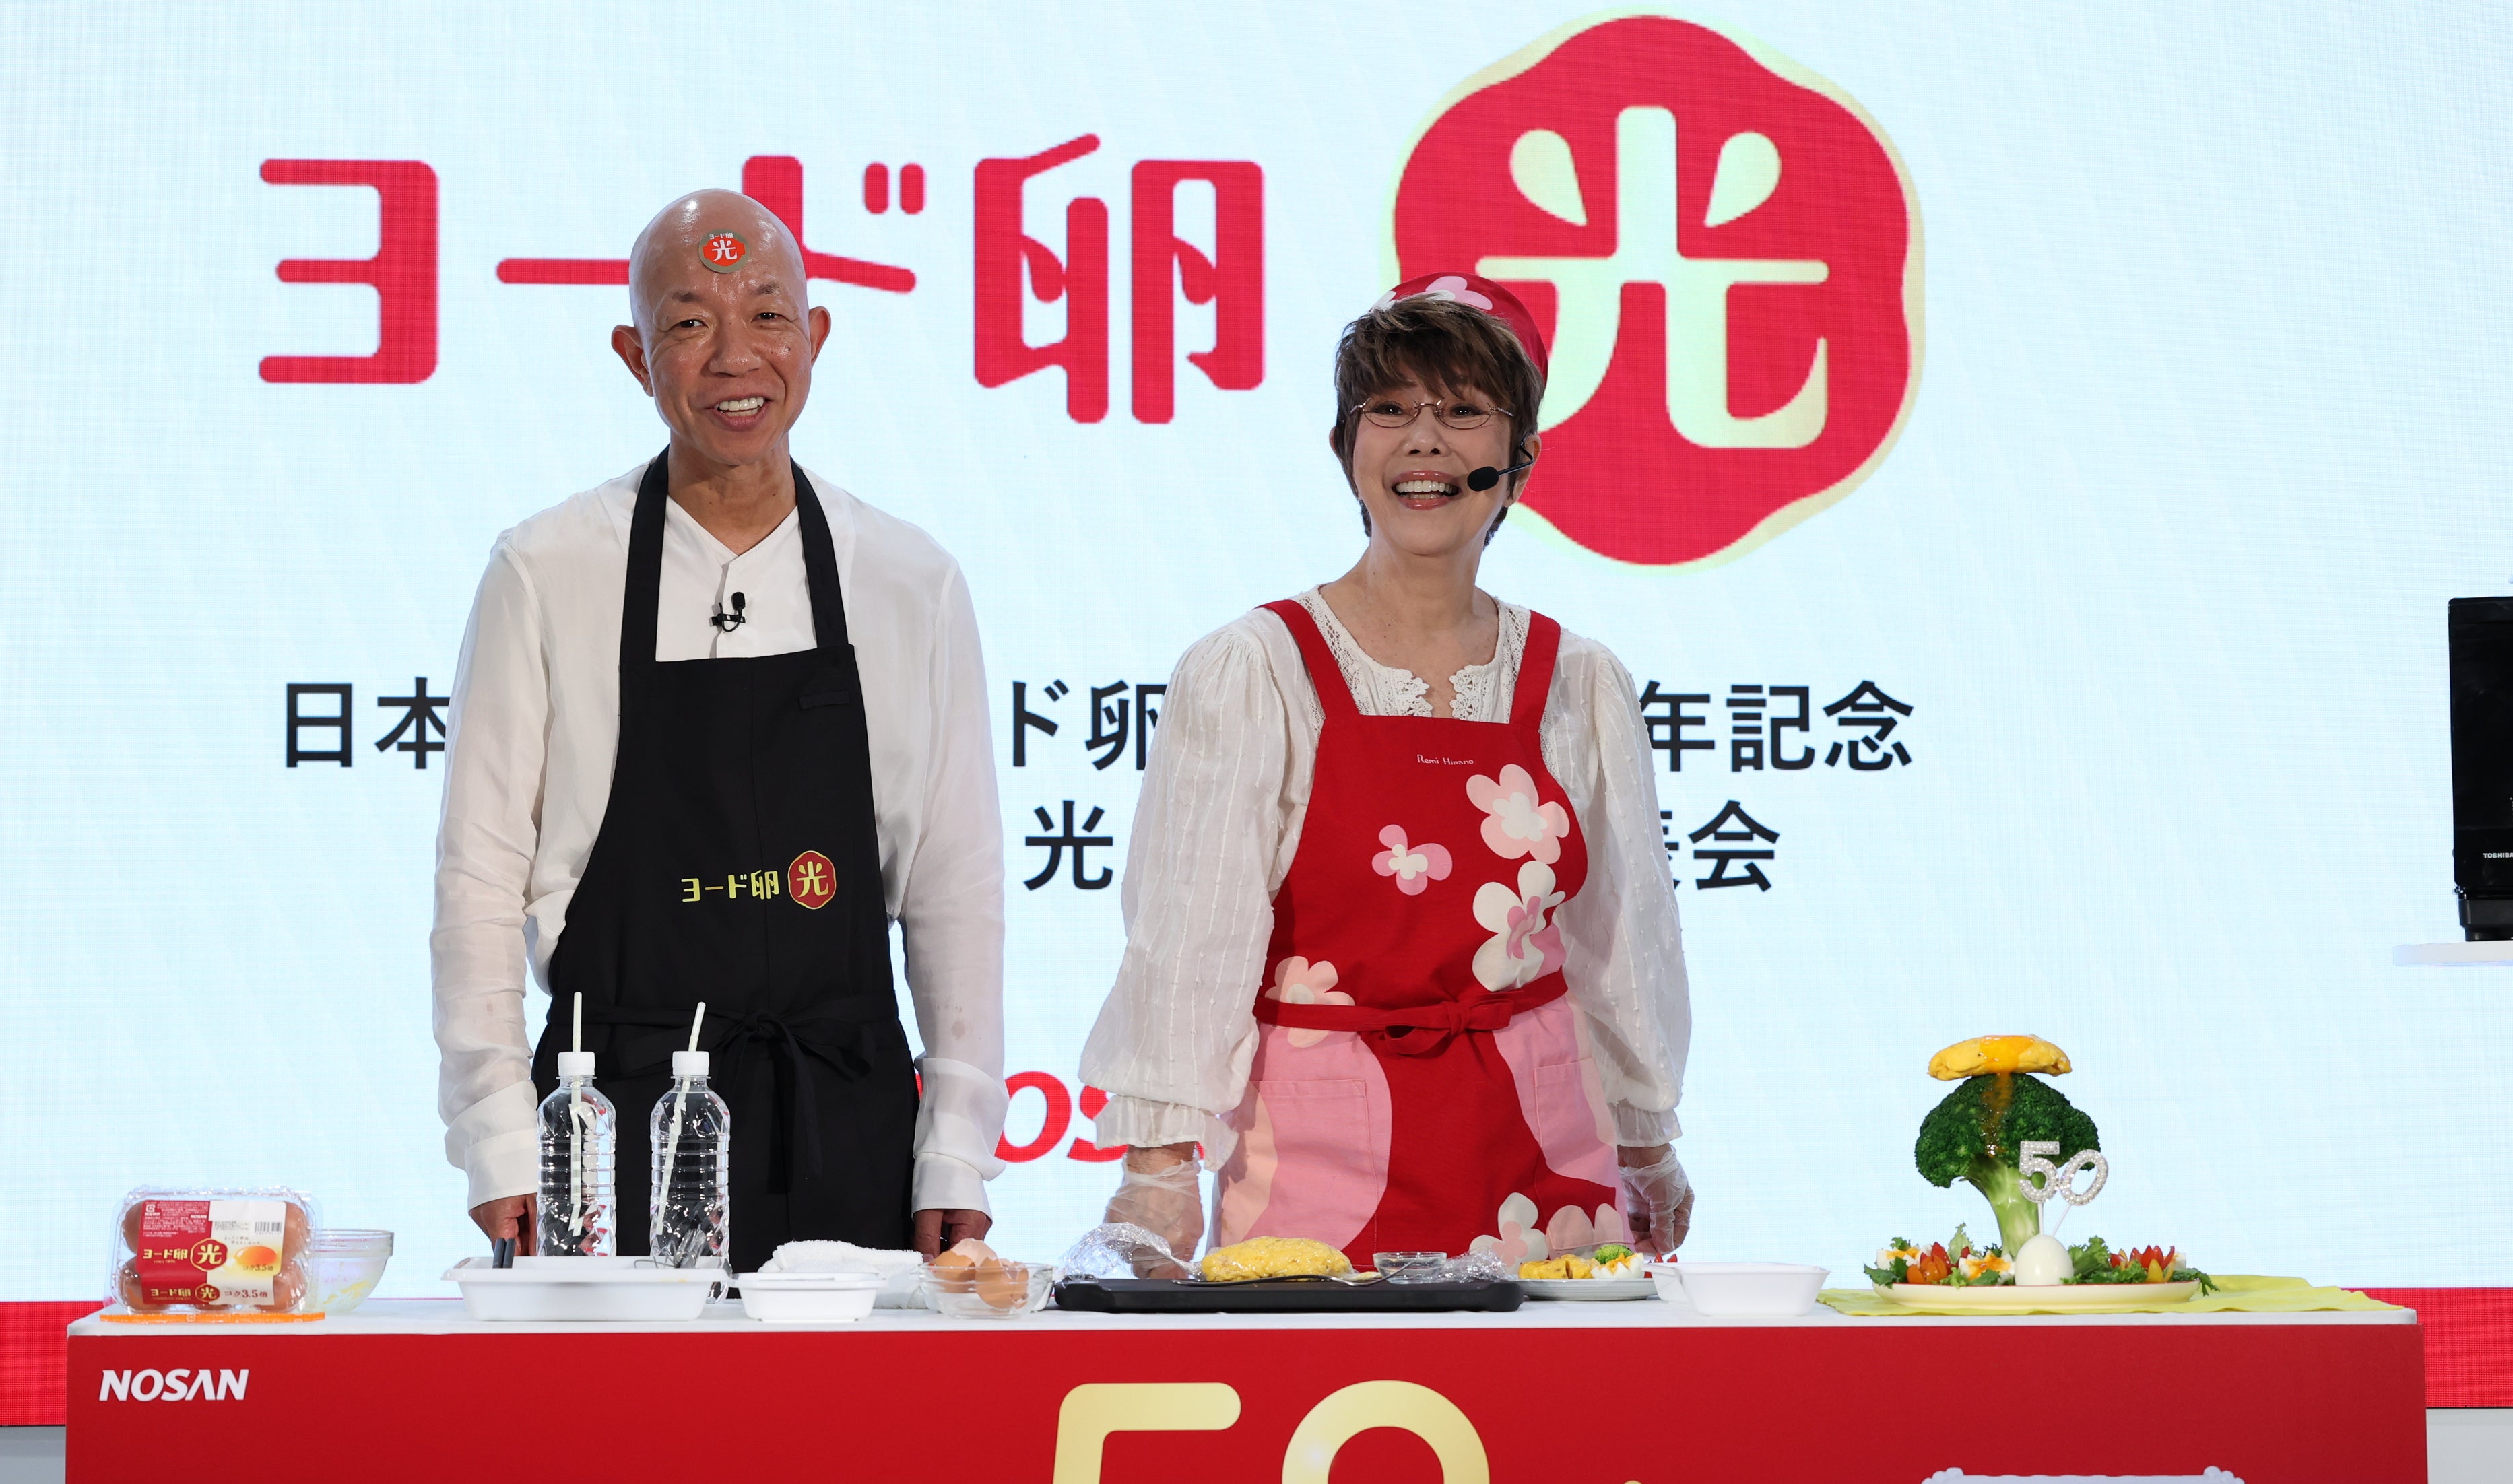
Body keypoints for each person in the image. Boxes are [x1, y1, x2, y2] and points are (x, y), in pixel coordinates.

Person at [433, 191, 1004, 1265]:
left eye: (768, 316)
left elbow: (955, 884)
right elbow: (479, 875)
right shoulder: (548, 568)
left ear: (815, 335)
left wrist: (958, 1145)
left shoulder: (908, 578)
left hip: (844, 1114)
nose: (737, 357)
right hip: (603, 1124)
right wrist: (497, 1134)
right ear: (635, 358)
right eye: (691, 324)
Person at [1081, 274, 1691, 1271]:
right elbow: (1190, 941)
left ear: (1520, 457)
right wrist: (1157, 1167)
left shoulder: (1580, 683)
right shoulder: (1255, 670)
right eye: (1392, 410)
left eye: (1463, 412)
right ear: (1345, 448)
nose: (1425, 442)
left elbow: (1623, 942)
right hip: (1314, 1163)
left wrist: (1647, 1140)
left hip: (1545, 1162)